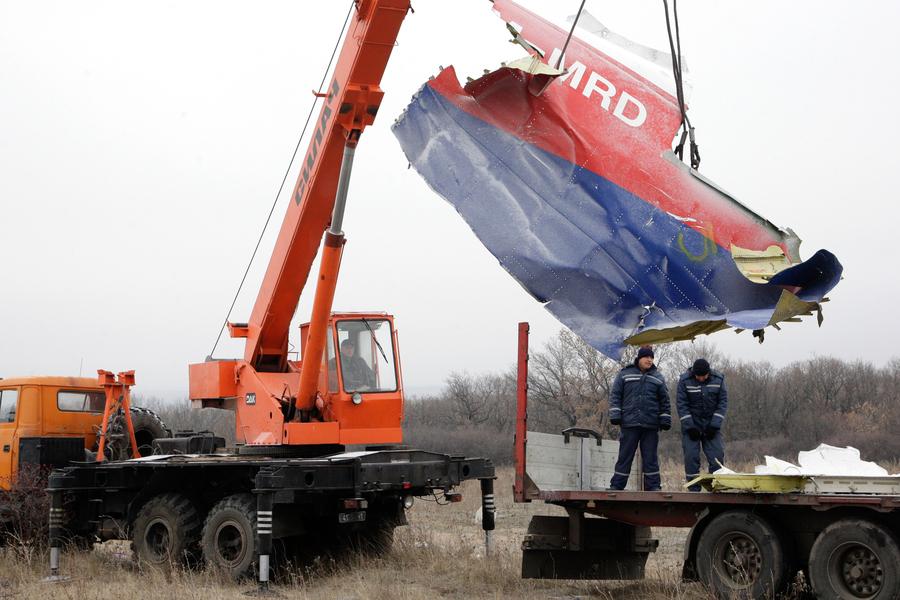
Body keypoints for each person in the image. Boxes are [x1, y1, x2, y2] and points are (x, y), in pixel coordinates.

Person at [608, 346, 672, 491]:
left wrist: (665, 419)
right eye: (647, 357)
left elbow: (665, 401)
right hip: (629, 423)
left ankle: (654, 487)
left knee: (650, 458)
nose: (650, 360)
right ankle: (617, 486)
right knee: (625, 457)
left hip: (650, 425)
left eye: (651, 357)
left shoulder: (658, 377)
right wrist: (615, 415)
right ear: (639, 358)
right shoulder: (624, 374)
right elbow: (616, 395)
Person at [676, 358, 728, 491]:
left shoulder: (719, 379)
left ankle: (715, 487)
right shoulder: (684, 381)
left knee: (717, 456)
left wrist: (714, 425)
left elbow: (722, 404)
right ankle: (694, 489)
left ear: (708, 373)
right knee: (691, 456)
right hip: (692, 425)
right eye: (697, 376)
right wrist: (690, 427)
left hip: (711, 425)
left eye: (703, 376)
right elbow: (682, 405)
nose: (700, 379)